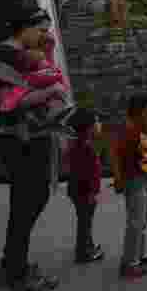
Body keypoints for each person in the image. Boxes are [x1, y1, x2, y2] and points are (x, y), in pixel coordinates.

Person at [0, 6, 62, 291]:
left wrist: (49, 54)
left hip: (34, 136)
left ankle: (13, 264)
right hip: (19, 140)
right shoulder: (3, 55)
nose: (45, 36)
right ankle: (14, 273)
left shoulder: (26, 54)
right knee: (25, 205)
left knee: (31, 201)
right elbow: (7, 101)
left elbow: (51, 74)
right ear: (24, 28)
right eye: (41, 30)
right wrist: (49, 94)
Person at [111, 93, 147, 280]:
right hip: (134, 182)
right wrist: (118, 179)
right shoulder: (129, 133)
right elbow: (114, 155)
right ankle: (129, 264)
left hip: (145, 180)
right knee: (135, 222)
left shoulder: (146, 130)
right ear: (136, 116)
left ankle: (139, 256)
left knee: (143, 220)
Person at [66, 108, 105, 265]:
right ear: (88, 127)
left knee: (85, 220)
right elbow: (85, 173)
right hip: (84, 191)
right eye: (96, 122)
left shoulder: (80, 142)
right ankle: (83, 253)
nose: (99, 124)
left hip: (79, 190)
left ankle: (88, 246)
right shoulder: (84, 146)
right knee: (85, 222)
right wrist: (91, 192)